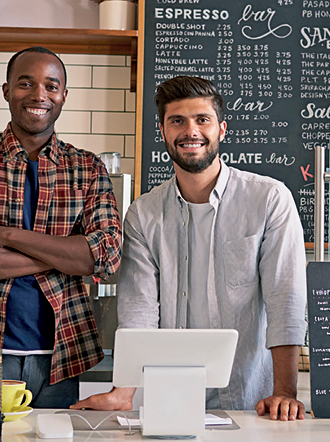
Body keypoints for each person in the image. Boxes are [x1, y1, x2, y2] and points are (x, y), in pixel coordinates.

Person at [70, 75, 308, 421]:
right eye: (177, 121)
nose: (190, 131)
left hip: (252, 404)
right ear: (164, 133)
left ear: (221, 129)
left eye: (202, 120)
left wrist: (285, 392)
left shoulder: (269, 199)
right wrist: (123, 392)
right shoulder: (143, 214)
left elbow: (285, 299)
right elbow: (138, 311)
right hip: (170, 402)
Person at [0, 46, 122, 408]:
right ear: (6, 91)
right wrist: (66, 253)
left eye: (52, 85)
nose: (39, 95)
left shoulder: (87, 167)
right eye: (25, 83)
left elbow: (106, 256)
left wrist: (5, 236)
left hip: (61, 358)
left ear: (64, 95)